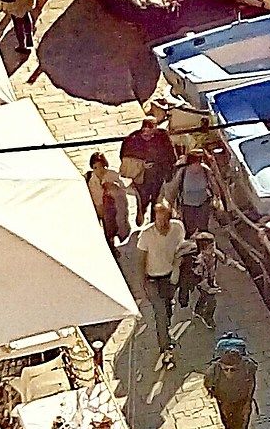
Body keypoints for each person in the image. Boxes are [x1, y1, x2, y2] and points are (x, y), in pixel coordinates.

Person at [136, 199, 188, 353]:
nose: (162, 223)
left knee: (168, 307)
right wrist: (142, 284)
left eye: (165, 219)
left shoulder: (178, 228)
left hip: (170, 276)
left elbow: (181, 246)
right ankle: (164, 345)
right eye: (158, 219)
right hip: (152, 279)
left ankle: (166, 328)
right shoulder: (146, 234)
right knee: (160, 312)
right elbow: (140, 261)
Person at [202, 328, 254, 429]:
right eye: (226, 369)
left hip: (242, 402)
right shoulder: (214, 371)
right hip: (224, 403)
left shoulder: (248, 367)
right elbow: (208, 384)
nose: (229, 373)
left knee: (241, 426)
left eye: (233, 370)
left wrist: (248, 403)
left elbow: (251, 383)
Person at [86, 151, 130, 248]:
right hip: (104, 210)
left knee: (122, 227)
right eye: (95, 168)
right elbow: (95, 197)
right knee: (108, 232)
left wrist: (114, 187)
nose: (99, 170)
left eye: (101, 166)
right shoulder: (92, 181)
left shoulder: (112, 175)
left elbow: (123, 190)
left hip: (117, 207)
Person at [188, 229, 222, 328]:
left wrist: (235, 264)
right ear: (203, 249)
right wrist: (208, 289)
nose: (213, 248)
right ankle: (208, 317)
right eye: (210, 247)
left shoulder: (213, 254)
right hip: (204, 284)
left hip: (211, 279)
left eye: (213, 245)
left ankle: (198, 310)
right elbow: (199, 279)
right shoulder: (199, 262)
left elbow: (223, 258)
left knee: (203, 298)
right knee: (212, 302)